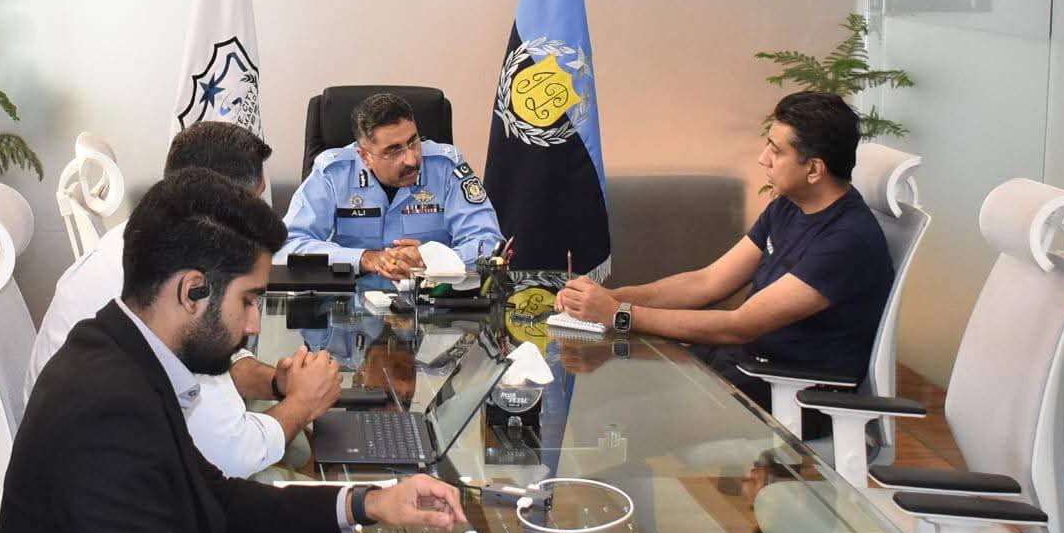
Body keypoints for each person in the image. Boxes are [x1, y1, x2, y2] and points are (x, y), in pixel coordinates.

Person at [0, 168, 468, 533]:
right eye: (248, 300)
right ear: (192, 291)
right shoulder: (107, 410)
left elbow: (214, 496)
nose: (255, 324)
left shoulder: (118, 353)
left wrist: (367, 502)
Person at [557, 91, 891, 438]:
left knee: (607, 421)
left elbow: (740, 325)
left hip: (789, 394)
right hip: (739, 367)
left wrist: (618, 314)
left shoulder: (847, 242)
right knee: (596, 396)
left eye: (776, 151)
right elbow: (706, 282)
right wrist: (607, 298)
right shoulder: (788, 206)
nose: (763, 159)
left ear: (815, 169)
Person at [26, 122, 338, 477]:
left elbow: (209, 371)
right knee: (299, 467)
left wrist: (276, 383)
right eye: (255, 202)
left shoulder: (148, 239)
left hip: (90, 453)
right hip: (101, 476)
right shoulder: (178, 279)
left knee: (299, 450)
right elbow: (234, 456)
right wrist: (303, 402)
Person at [281, 92, 503, 281]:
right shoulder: (333, 172)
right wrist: (365, 258)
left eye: (413, 142)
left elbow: (490, 244)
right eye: (394, 151)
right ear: (365, 157)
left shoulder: (446, 166)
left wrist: (432, 258)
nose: (411, 159)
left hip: (432, 305)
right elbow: (287, 245)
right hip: (352, 307)